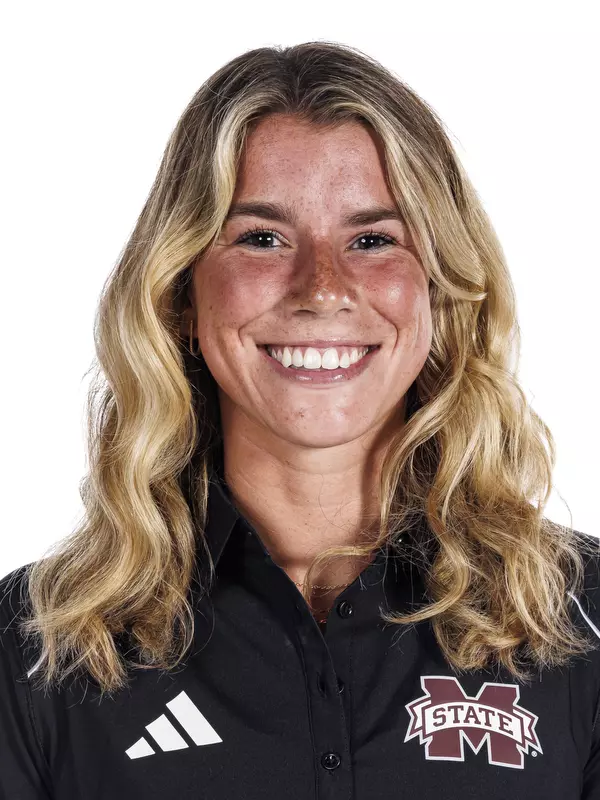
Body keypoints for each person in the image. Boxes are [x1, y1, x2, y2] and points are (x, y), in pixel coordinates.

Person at [1, 40, 599, 799]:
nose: (322, 287)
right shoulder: (40, 649)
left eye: (373, 240)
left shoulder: (580, 621)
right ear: (182, 297)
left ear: (437, 294)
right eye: (262, 238)